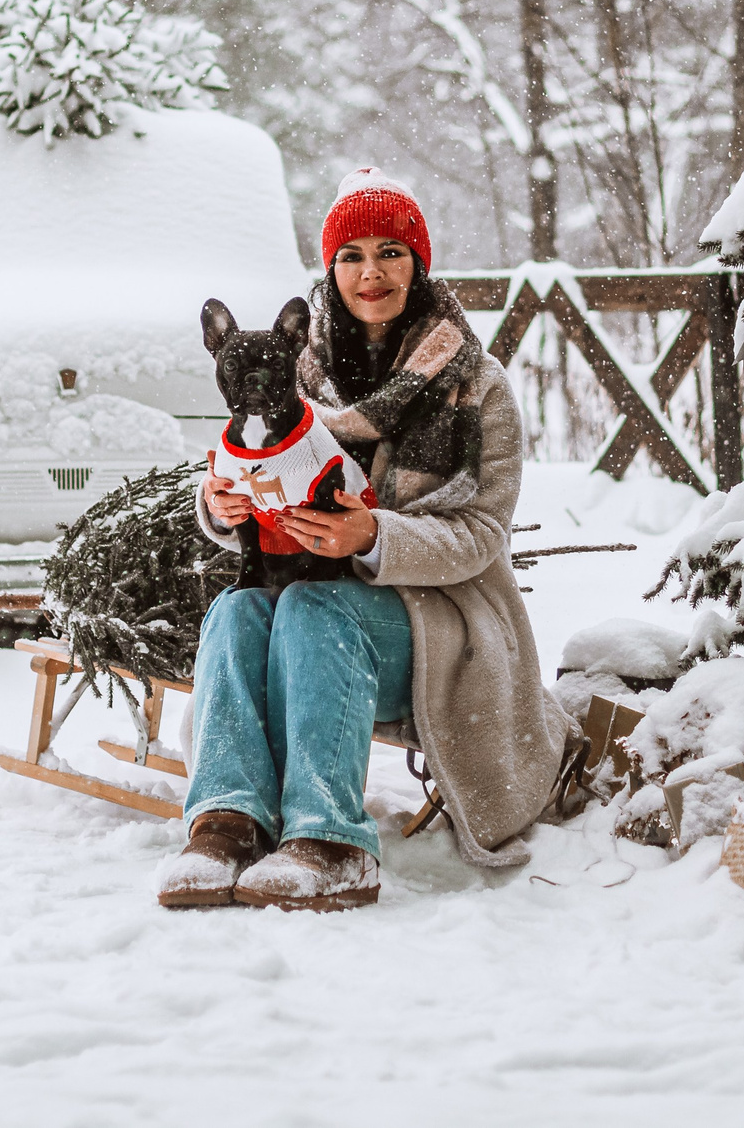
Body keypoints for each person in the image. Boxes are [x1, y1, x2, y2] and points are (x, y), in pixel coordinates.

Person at [157, 169, 578, 911]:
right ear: (331, 268)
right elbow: (263, 479)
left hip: (436, 623)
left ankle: (331, 842)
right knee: (238, 610)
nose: (370, 271)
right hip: (307, 610)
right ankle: (226, 821)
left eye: (390, 250)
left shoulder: (473, 384)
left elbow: (481, 533)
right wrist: (222, 504)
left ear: (418, 262)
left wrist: (372, 532)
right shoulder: (292, 373)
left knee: (319, 609)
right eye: (350, 254)